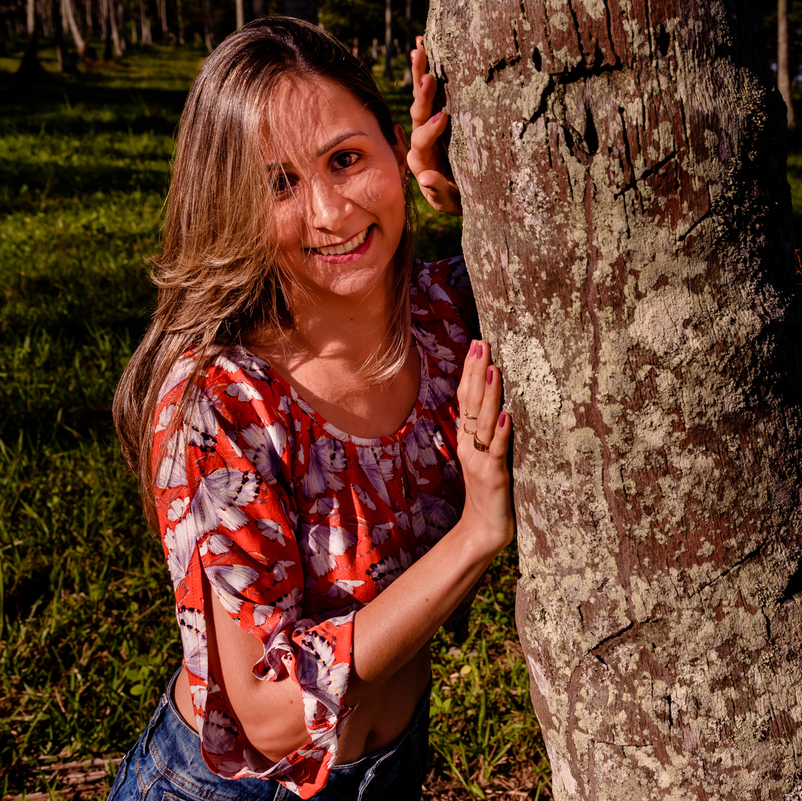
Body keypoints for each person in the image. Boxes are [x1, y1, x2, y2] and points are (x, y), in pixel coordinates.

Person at [107, 17, 514, 801]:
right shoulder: (223, 401)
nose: (330, 213)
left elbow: (543, 274)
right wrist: (473, 539)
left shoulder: (441, 316)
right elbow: (264, 713)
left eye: (347, 160)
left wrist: (458, 186)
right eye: (281, 183)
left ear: (395, 146)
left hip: (389, 769)